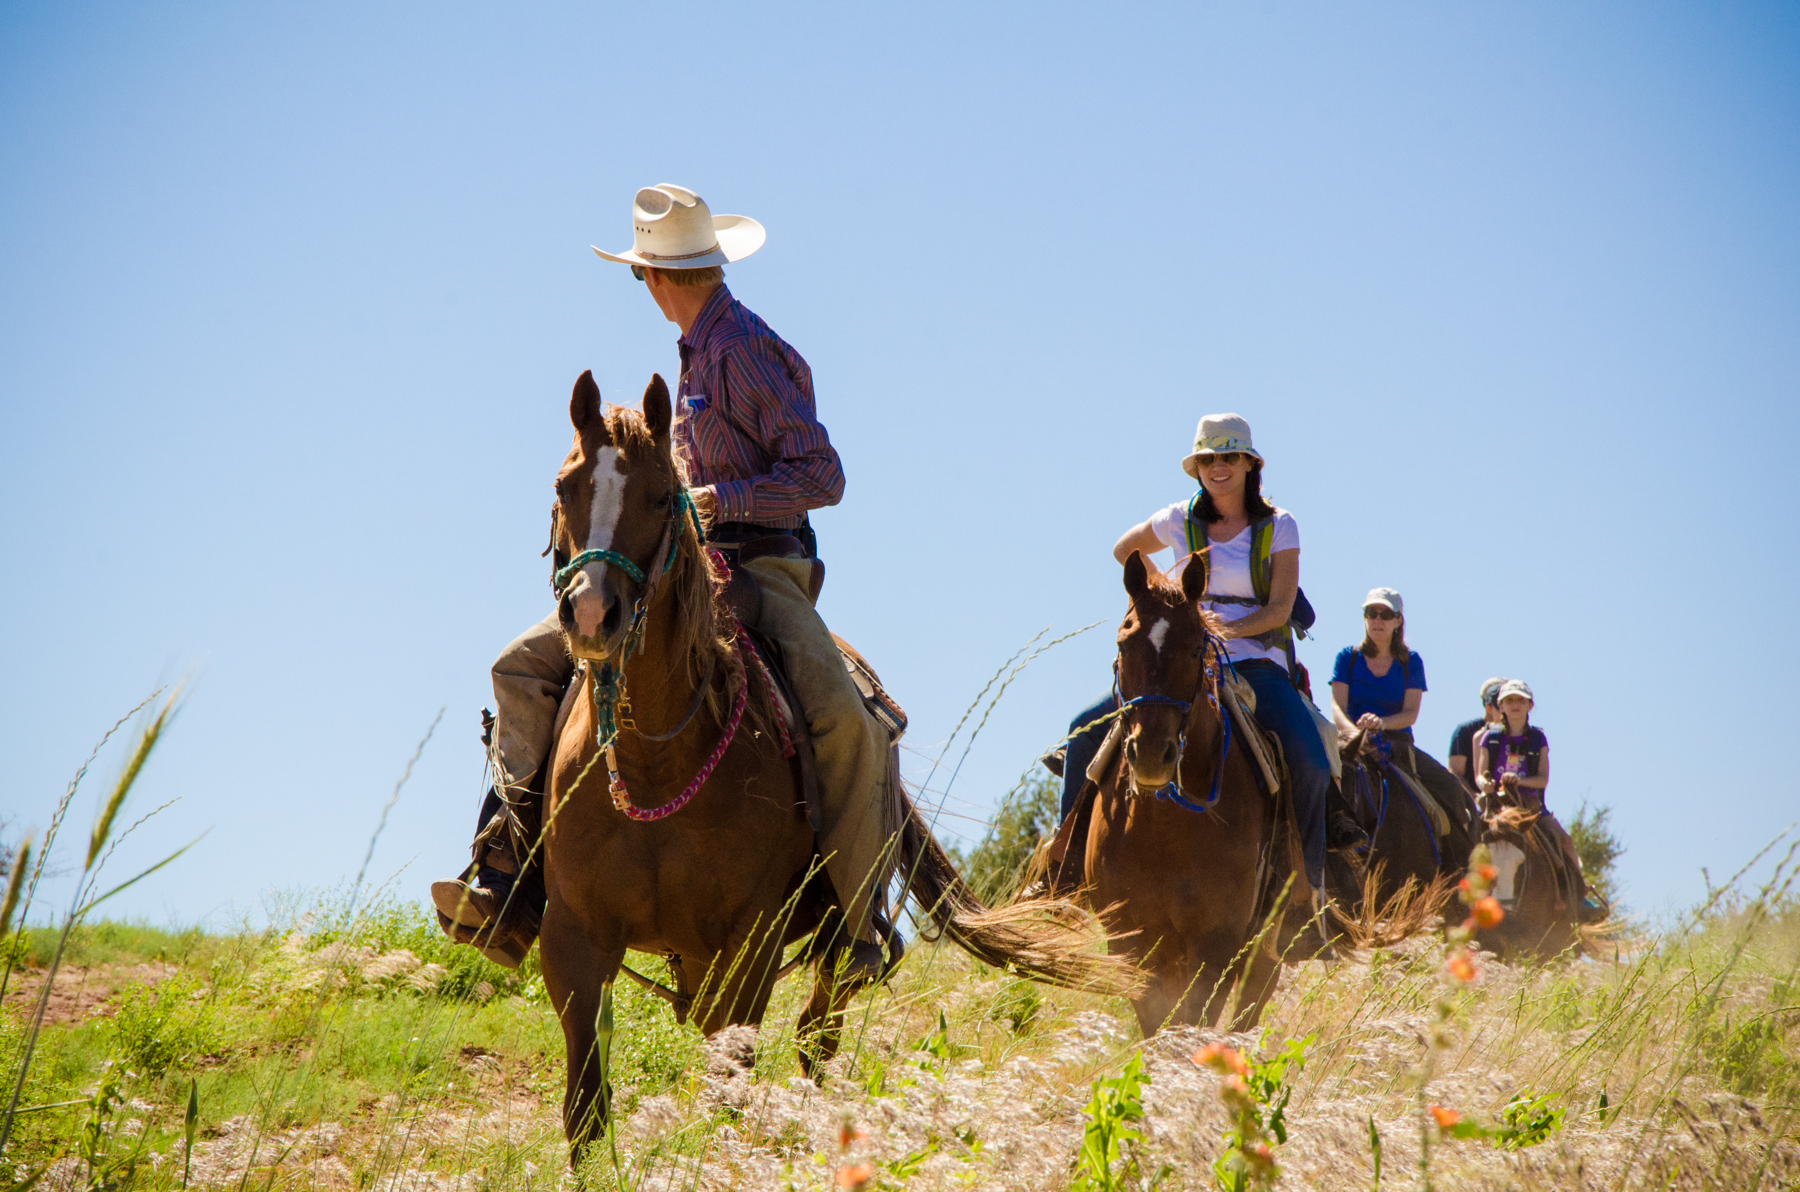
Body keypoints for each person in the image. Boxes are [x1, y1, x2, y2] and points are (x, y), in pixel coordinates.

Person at [431, 184, 894, 979]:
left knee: (843, 716)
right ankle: (507, 873)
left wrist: (723, 499)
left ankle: (855, 931)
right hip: (675, 568)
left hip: (760, 567)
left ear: (654, 276)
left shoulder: (742, 348)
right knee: (522, 666)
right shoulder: (691, 351)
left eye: (640, 274)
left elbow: (824, 474)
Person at [1062, 414, 1338, 925]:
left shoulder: (1280, 526)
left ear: (1249, 464)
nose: (1218, 467)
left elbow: (1279, 610)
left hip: (1257, 662)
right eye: (1208, 458)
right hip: (1179, 658)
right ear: (1197, 467)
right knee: (1084, 728)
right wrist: (1164, 601)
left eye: (1229, 456)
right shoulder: (1175, 520)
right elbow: (1124, 551)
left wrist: (1218, 633)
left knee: (1309, 758)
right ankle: (1060, 879)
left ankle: (1308, 895)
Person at [1330, 588, 1476, 830]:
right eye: (1371, 613)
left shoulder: (1411, 661)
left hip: (1397, 744)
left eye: (1385, 614)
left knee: (1451, 789)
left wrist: (1381, 723)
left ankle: (1459, 863)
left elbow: (1411, 713)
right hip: (1349, 744)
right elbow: (1337, 706)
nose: (1377, 620)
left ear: (1398, 620)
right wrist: (1354, 733)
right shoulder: (1348, 657)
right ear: (1364, 617)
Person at [1474, 680, 1603, 921]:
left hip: (1530, 806)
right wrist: (1485, 784)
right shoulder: (1489, 738)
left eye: (1520, 700)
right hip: (1496, 806)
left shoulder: (1538, 739)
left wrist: (1519, 781)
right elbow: (1480, 774)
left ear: (1530, 706)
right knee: (1465, 836)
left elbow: (1542, 780)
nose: (1515, 705)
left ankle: (1579, 896)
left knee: (1564, 841)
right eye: (1509, 700)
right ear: (1499, 706)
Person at [1448, 677, 1507, 794]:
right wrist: (1475, 801)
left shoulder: (1520, 732)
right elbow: (1456, 773)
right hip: (1473, 802)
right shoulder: (1465, 731)